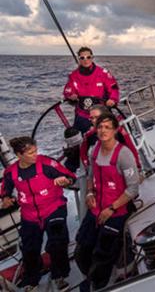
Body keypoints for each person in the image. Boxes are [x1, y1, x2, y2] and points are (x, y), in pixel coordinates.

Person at [1, 137, 76, 291]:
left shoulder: (47, 164)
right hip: (30, 214)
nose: (35, 154)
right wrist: (6, 198)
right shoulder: (11, 173)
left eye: (35, 150)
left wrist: (65, 180)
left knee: (58, 242)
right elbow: (5, 190)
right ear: (19, 155)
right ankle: (32, 281)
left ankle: (59, 276)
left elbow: (70, 177)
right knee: (29, 248)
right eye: (30, 153)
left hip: (54, 208)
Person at [75, 113, 139, 290]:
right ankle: (90, 276)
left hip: (116, 211)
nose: (103, 131)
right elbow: (90, 175)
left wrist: (111, 208)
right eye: (100, 127)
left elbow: (133, 189)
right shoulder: (93, 150)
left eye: (107, 127)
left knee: (103, 254)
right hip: (96, 210)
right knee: (81, 250)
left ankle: (98, 284)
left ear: (115, 130)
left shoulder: (124, 155)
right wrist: (89, 194)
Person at [63, 47, 119, 135]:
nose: (86, 60)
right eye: (82, 58)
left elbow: (114, 88)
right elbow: (67, 91)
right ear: (79, 59)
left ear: (92, 57)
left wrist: (112, 99)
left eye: (88, 57)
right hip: (82, 115)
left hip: (101, 114)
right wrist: (71, 95)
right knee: (79, 139)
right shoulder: (73, 76)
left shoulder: (102, 73)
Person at [79, 105, 142, 174]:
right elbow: (83, 154)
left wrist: (137, 167)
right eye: (91, 118)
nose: (94, 120)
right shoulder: (89, 136)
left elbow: (131, 149)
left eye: (97, 117)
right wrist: (89, 168)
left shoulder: (118, 132)